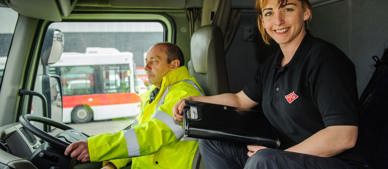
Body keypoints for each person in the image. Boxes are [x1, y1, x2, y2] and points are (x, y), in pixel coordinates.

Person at [174, 0, 368, 169]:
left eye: (288, 9)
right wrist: (194, 100)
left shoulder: (326, 61)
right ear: (262, 21)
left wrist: (280, 156)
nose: (278, 21)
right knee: (211, 142)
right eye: (269, 13)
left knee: (262, 161)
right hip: (284, 155)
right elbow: (239, 100)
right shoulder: (272, 65)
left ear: (306, 12)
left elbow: (344, 135)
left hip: (336, 162)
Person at [65, 42, 203, 169]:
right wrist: (114, 163)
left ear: (174, 64)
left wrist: (95, 147)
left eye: (154, 61)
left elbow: (150, 136)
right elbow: (136, 133)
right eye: (146, 61)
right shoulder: (157, 93)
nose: (146, 67)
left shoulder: (183, 94)